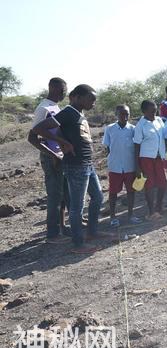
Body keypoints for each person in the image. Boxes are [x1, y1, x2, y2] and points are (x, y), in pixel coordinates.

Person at [32, 84, 114, 254]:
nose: (93, 103)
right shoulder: (68, 112)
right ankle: (78, 244)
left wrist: (63, 140)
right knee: (77, 207)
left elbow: (66, 132)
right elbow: (38, 129)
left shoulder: (78, 114)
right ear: (77, 97)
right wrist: (63, 143)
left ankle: (92, 232)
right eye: (90, 99)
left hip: (87, 164)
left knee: (98, 197)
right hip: (75, 165)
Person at [27, 77, 70, 243]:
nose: (63, 93)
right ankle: (52, 234)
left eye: (64, 90)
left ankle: (62, 226)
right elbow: (32, 137)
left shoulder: (55, 106)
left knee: (63, 194)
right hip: (51, 157)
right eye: (61, 90)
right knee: (54, 195)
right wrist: (53, 155)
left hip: (60, 155)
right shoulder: (43, 108)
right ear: (52, 88)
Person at [102, 105, 140, 226]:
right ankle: (113, 217)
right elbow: (108, 147)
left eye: (127, 114)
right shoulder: (110, 129)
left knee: (131, 191)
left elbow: (136, 148)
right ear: (116, 115)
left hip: (130, 166)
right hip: (115, 166)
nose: (124, 116)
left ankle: (130, 215)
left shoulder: (133, 129)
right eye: (122, 114)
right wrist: (114, 158)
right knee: (113, 192)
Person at [134, 100, 167, 220]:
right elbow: (136, 145)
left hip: (159, 157)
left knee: (163, 183)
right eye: (151, 110)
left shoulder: (159, 120)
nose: (154, 112)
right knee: (150, 185)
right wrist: (137, 166)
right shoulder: (140, 125)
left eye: (155, 110)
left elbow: (164, 137)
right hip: (146, 158)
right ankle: (151, 211)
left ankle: (159, 207)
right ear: (144, 111)